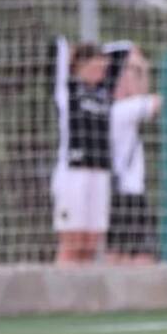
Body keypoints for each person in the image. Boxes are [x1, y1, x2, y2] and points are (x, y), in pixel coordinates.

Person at [51, 38, 112, 265]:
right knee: (72, 241)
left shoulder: (104, 93)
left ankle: (83, 299)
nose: (102, 70)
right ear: (80, 64)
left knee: (91, 242)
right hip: (73, 170)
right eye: (96, 65)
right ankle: (60, 298)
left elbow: (123, 51)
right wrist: (72, 50)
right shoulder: (67, 89)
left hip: (100, 170)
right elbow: (58, 46)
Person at [107, 47, 162, 264]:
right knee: (138, 256)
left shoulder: (117, 108)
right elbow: (157, 101)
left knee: (122, 254)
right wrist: (144, 68)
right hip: (127, 193)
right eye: (131, 73)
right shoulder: (122, 109)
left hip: (122, 192)